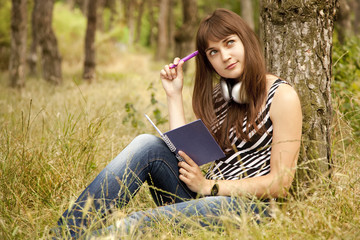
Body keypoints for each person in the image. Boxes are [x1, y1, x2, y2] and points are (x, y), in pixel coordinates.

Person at [54, 8, 302, 239]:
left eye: (229, 43)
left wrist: (210, 186)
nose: (224, 56)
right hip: (205, 198)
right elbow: (186, 154)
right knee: (147, 144)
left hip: (249, 210)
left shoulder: (282, 96)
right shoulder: (221, 96)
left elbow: (280, 183)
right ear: (208, 61)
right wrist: (174, 94)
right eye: (213, 52)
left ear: (245, 40)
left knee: (139, 222)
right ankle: (65, 234)